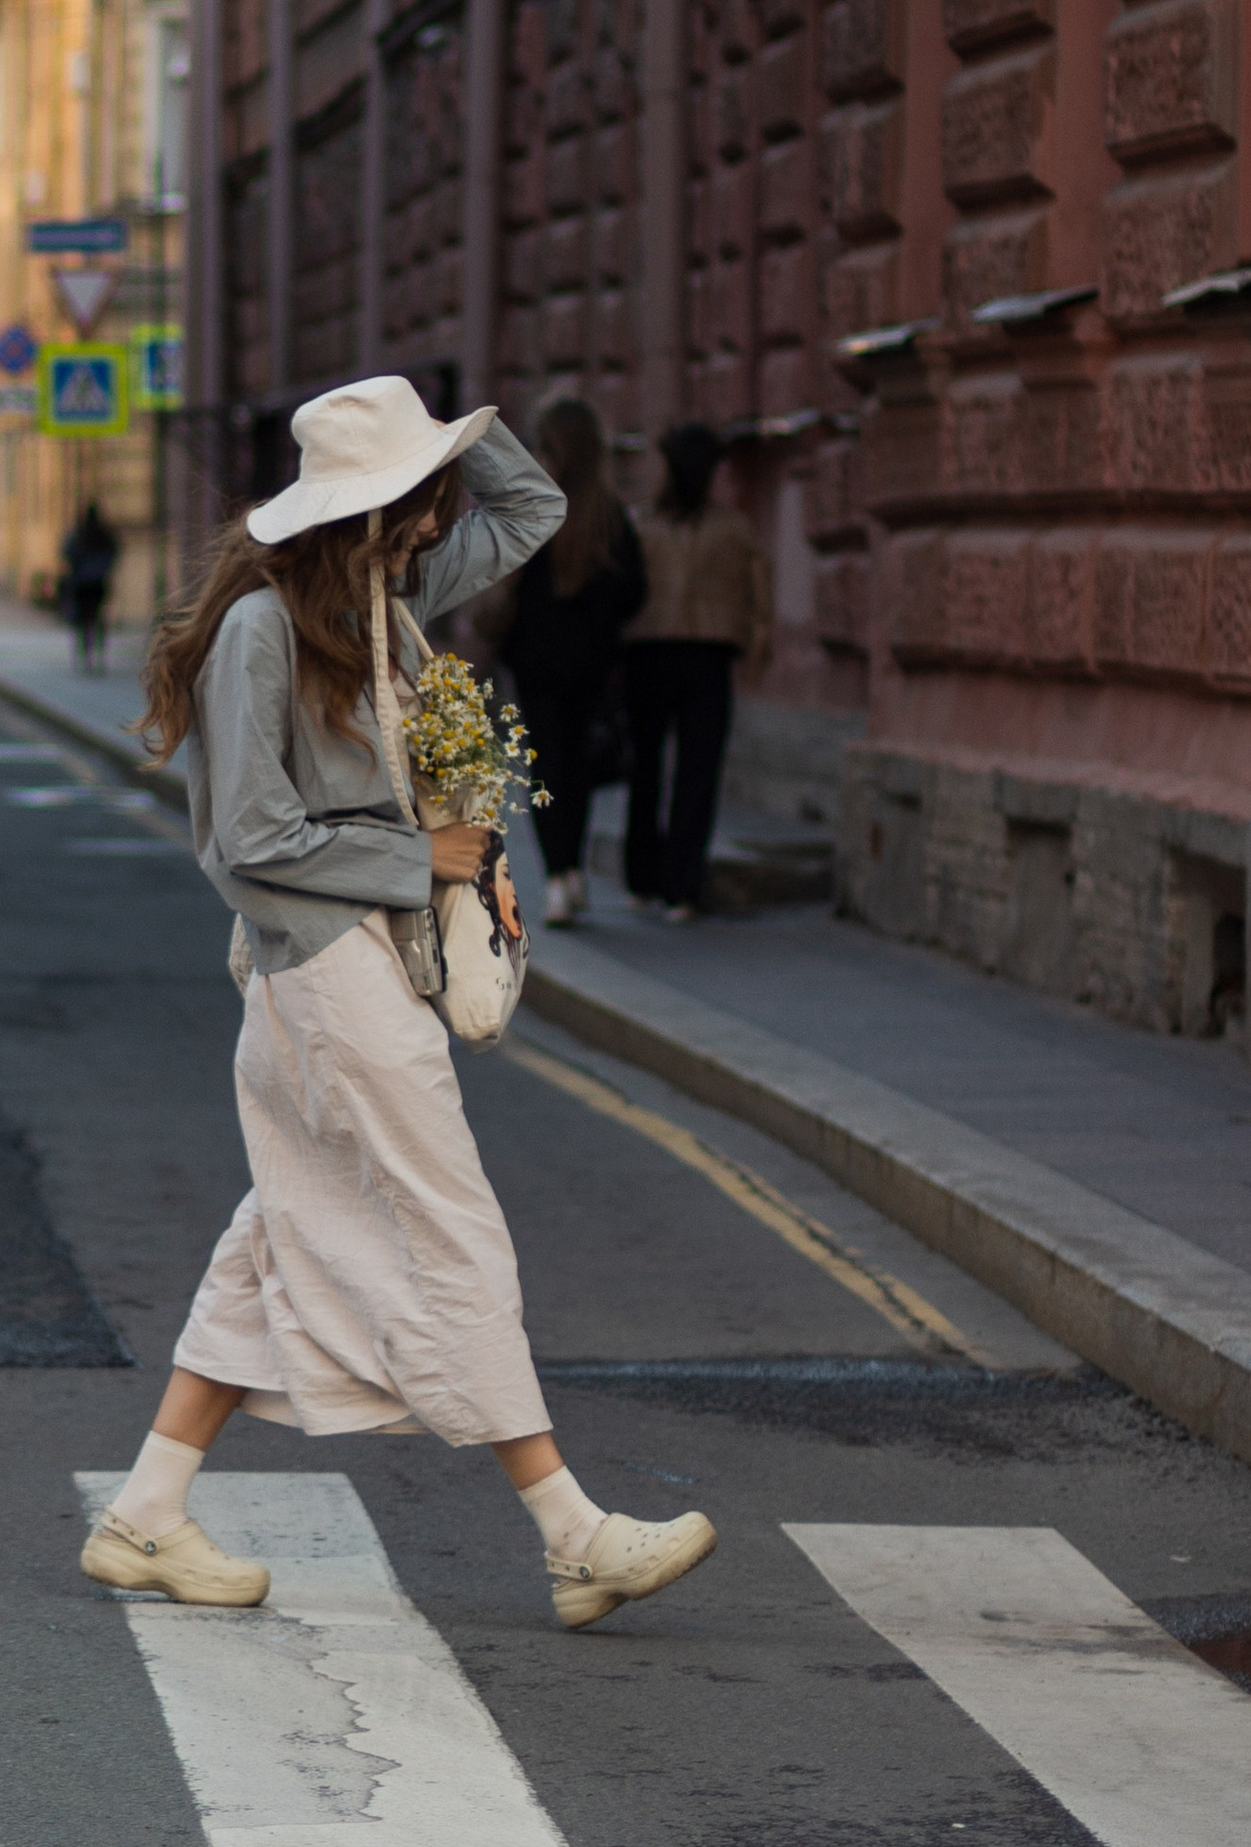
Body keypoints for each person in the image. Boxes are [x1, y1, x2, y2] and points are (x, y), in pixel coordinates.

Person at [82, 374, 716, 1629]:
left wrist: (464, 426)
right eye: (415, 503)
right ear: (362, 513)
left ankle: (144, 1513)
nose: (436, 525)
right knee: (447, 1221)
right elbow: (242, 835)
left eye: (431, 503)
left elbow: (529, 512)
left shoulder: (374, 604)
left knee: (279, 1233)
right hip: (318, 965)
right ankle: (571, 1530)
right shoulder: (266, 629)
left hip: (347, 962)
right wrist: (409, 860)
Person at [483, 394, 646, 931]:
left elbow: (507, 589)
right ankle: (569, 876)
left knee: (545, 768)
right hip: (590, 665)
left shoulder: (533, 508)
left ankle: (559, 878)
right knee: (574, 767)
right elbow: (634, 591)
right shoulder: (610, 516)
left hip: (537, 666)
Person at [621, 421, 771, 923]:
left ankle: (642, 879)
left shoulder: (643, 524)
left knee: (646, 770)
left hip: (647, 653)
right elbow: (758, 599)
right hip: (710, 656)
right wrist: (753, 653)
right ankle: (682, 889)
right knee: (697, 773)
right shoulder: (735, 529)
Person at [60, 500, 119, 673]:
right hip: (98, 583)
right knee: (98, 619)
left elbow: (67, 553)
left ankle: (84, 655)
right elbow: (113, 552)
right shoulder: (104, 535)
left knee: (82, 621)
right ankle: (99, 655)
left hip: (81, 584)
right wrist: (102, 569)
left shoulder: (78, 534)